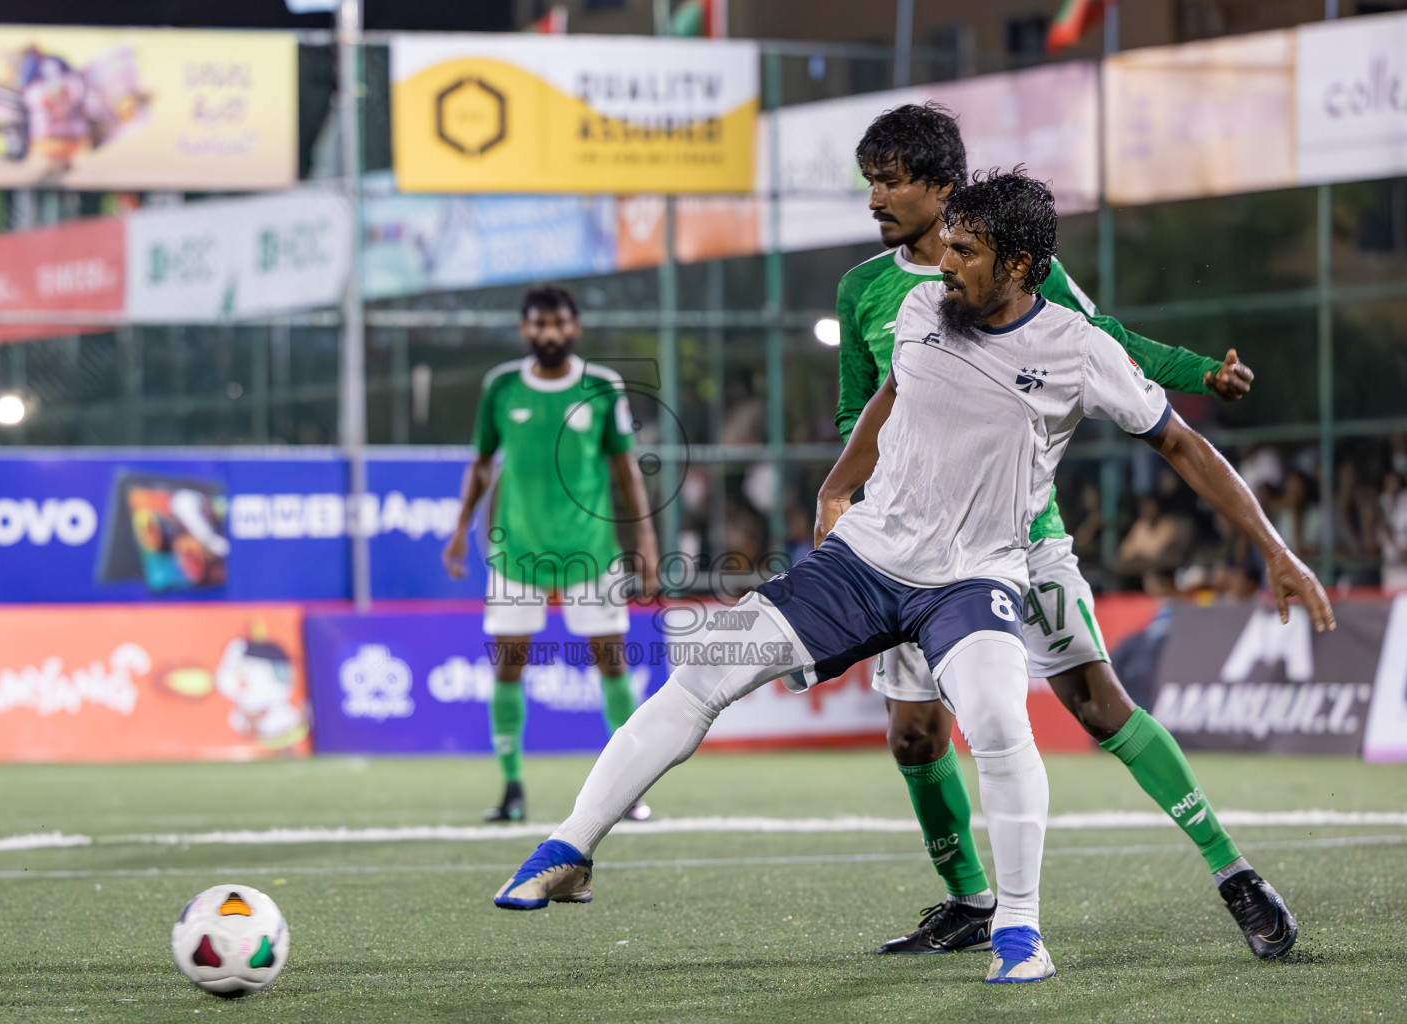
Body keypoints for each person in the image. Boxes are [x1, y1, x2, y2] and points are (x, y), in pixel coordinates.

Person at [490, 172, 1334, 986]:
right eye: (949, 244)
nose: (946, 263)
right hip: (865, 560)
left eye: (966, 250)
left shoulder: (1079, 349)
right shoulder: (925, 303)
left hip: (974, 578)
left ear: (1021, 268)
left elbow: (1182, 444)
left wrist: (1276, 549)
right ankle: (569, 847)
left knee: (1007, 720)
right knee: (710, 666)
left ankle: (1022, 928)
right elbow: (891, 393)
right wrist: (834, 485)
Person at [836, 104, 1297, 962]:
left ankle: (1232, 871)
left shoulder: (1017, 273)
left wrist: (1198, 372)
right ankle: (971, 900)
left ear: (946, 187)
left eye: (893, 179)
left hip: (1018, 541)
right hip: (903, 545)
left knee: (1093, 701)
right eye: (870, 180)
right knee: (913, 735)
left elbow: (1103, 343)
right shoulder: (865, 290)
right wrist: (845, 499)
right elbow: (865, 407)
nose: (877, 197)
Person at [443, 286, 661, 824]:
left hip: (592, 550)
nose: (549, 334)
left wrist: (647, 542)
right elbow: (480, 464)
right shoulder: (501, 387)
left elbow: (625, 470)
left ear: (575, 328)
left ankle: (626, 790)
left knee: (612, 664)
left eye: (559, 324)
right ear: (524, 330)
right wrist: (458, 530)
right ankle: (511, 786)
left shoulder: (602, 386)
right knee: (509, 667)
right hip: (516, 551)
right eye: (539, 325)